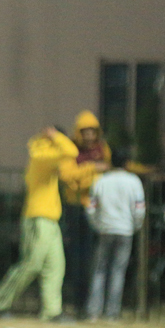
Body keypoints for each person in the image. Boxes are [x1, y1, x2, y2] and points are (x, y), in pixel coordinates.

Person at [0, 127, 78, 320]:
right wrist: (56, 136)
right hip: (38, 219)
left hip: (50, 221)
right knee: (31, 264)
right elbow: (71, 151)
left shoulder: (46, 158)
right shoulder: (41, 156)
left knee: (55, 267)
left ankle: (52, 311)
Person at [84, 148, 145, 322]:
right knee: (118, 271)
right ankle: (112, 313)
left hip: (105, 229)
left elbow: (91, 208)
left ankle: (93, 312)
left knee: (99, 270)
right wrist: (135, 226)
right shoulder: (134, 181)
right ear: (127, 163)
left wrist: (97, 225)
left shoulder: (101, 180)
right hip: (125, 230)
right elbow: (139, 209)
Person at [60, 111, 111, 316]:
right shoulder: (72, 150)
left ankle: (90, 303)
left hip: (95, 207)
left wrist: (83, 178)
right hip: (75, 208)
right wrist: (92, 168)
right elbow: (69, 177)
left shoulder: (103, 148)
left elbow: (105, 173)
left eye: (92, 132)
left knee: (92, 258)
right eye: (85, 132)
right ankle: (77, 301)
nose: (89, 136)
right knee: (77, 256)